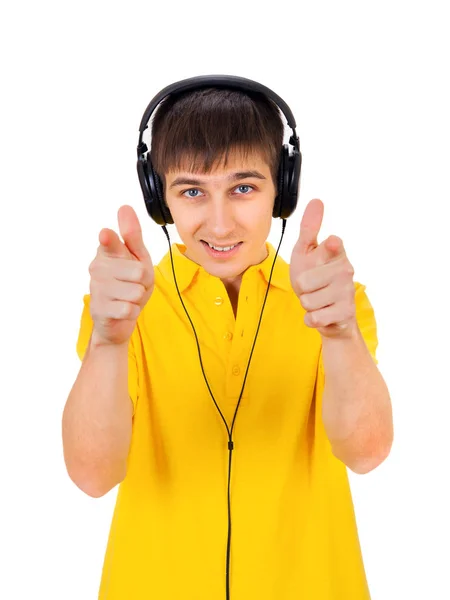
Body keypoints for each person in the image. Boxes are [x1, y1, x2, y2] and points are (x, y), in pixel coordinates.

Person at [62, 75, 394, 600]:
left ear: (281, 189)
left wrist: (340, 331)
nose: (219, 225)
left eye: (243, 188)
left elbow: (367, 452)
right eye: (192, 191)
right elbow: (92, 476)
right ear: (159, 198)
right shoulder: (121, 309)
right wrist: (108, 341)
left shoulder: (332, 301)